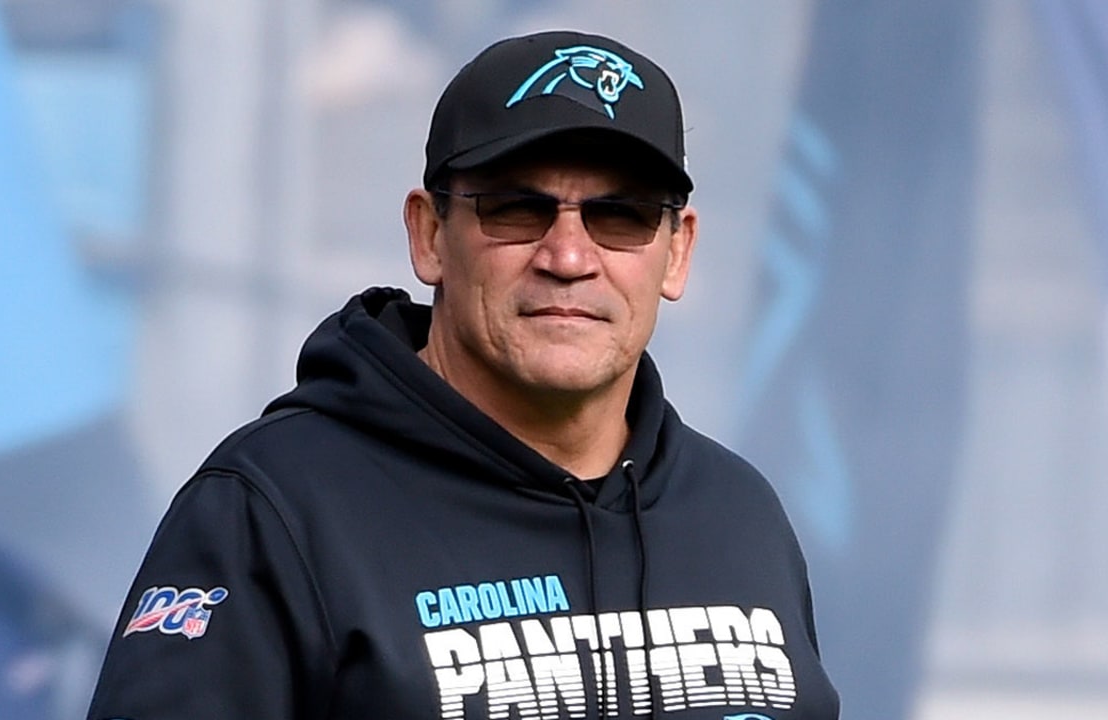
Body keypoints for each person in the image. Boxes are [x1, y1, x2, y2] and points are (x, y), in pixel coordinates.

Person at [86, 30, 839, 720]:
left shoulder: (740, 514)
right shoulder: (273, 511)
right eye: (516, 209)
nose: (569, 258)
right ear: (429, 236)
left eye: (621, 216)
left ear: (676, 252)